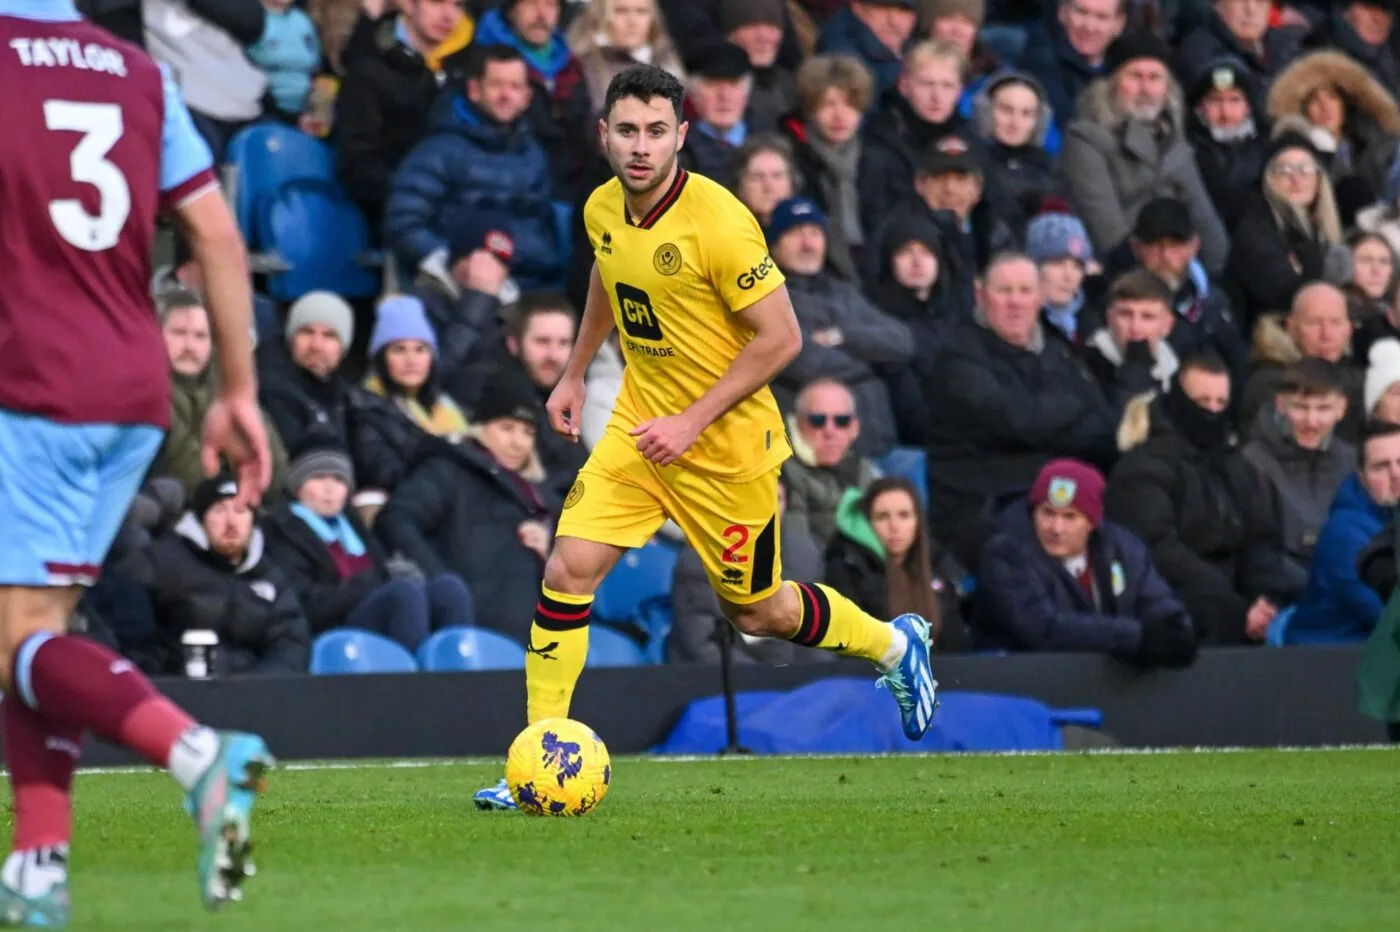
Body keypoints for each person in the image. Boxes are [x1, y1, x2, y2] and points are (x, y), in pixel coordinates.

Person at [472, 63, 937, 810]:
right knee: (567, 571)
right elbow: (607, 273)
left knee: (757, 611)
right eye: (627, 130)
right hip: (640, 425)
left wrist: (692, 421)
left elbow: (782, 338)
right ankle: (539, 759)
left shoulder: (718, 220)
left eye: (657, 131)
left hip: (724, 448)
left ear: (682, 135)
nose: (641, 146)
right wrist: (572, 369)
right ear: (604, 135)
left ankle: (892, 644)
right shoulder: (602, 208)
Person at [0, 1, 274, 923]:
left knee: (17, 643)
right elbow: (218, 237)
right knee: (36, 632)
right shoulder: (139, 72)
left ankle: (198, 755)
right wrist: (239, 393)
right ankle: (38, 868)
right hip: (130, 384)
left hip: (28, 381)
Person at [823, 478, 969, 651]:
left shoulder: (937, 566)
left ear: (918, 522)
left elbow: (956, 643)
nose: (894, 526)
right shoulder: (847, 567)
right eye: (882, 517)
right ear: (867, 524)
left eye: (904, 515)